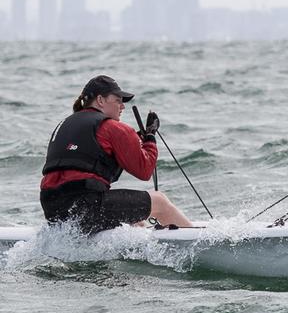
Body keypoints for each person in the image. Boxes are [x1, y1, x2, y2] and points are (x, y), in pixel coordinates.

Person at [40, 74, 193, 234]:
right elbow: (144, 170)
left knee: (137, 222)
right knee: (159, 202)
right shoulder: (113, 127)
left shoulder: (64, 125)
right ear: (100, 100)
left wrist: (137, 137)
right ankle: (197, 243)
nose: (122, 106)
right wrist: (150, 138)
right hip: (86, 209)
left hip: (53, 210)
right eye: (118, 100)